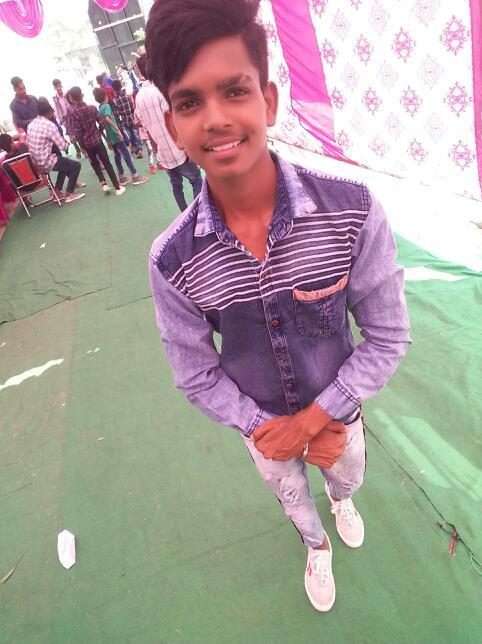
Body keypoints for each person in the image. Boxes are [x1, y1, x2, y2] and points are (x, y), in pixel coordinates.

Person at [145, 0, 411, 613]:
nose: (215, 118)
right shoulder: (172, 259)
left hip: (340, 417)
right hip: (260, 429)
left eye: (234, 91)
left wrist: (315, 420)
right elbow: (194, 372)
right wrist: (268, 428)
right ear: (173, 126)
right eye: (189, 102)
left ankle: (342, 501)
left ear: (267, 100)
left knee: (347, 475)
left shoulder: (351, 209)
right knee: (292, 497)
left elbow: (388, 335)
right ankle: (315, 544)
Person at [135, 54, 202, 211]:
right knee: (196, 180)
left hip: (163, 153)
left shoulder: (139, 97)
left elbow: (143, 125)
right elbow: (176, 121)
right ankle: (199, 213)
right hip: (178, 149)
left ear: (141, 71)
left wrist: (157, 150)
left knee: (176, 185)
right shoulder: (162, 90)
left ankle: (185, 214)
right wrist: (188, 149)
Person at [26, 98, 85, 203]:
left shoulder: (31, 124)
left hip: (35, 163)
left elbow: (28, 143)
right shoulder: (49, 125)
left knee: (62, 163)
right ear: (49, 112)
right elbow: (63, 147)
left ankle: (56, 192)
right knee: (76, 166)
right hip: (46, 162)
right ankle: (69, 194)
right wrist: (71, 141)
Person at [68, 86, 125, 196]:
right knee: (107, 163)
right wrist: (99, 133)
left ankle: (104, 183)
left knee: (94, 163)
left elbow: (77, 132)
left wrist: (81, 147)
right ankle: (117, 187)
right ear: (81, 95)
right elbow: (101, 122)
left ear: (72, 98)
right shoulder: (92, 108)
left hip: (87, 144)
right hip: (97, 140)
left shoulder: (73, 113)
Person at [93, 87, 148, 186]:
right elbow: (107, 118)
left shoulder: (100, 108)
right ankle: (135, 176)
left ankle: (121, 176)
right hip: (115, 135)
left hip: (110, 135)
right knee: (126, 155)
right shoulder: (106, 106)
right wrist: (117, 130)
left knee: (117, 156)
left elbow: (103, 123)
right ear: (105, 96)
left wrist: (108, 138)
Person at [111, 79, 143, 157]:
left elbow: (117, 114)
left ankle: (134, 149)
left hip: (124, 120)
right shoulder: (128, 96)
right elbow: (133, 107)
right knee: (136, 133)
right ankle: (139, 149)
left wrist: (119, 123)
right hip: (132, 118)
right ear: (121, 86)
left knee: (130, 135)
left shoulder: (115, 100)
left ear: (113, 89)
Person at [52, 79, 82, 159]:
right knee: (70, 134)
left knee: (77, 132)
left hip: (72, 115)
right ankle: (78, 150)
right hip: (65, 119)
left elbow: (71, 103)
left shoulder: (67, 94)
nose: (58, 88)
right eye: (56, 87)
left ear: (61, 85)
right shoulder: (55, 98)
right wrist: (60, 119)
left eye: (59, 86)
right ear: (54, 88)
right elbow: (57, 109)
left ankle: (83, 148)